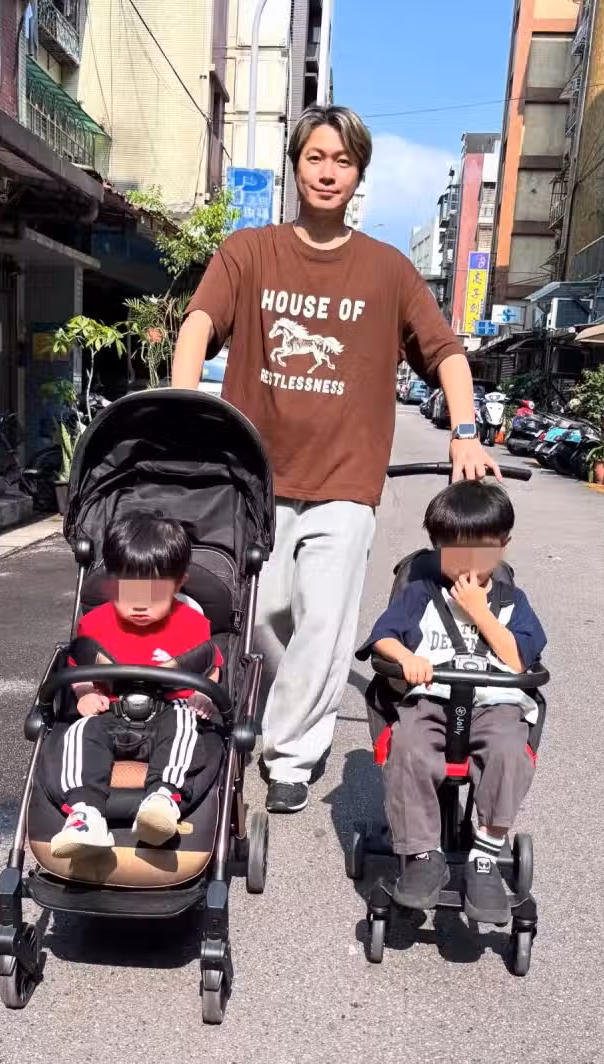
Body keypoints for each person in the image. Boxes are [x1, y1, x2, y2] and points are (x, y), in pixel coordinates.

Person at [171, 103, 500, 815]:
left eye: (342, 161)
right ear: (296, 166)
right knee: (262, 614)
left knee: (322, 621)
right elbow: (198, 323)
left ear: (359, 175)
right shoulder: (249, 252)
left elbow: (446, 352)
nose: (327, 172)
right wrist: (184, 410)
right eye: (315, 157)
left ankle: (291, 754)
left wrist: (466, 429)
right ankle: (276, 707)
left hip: (347, 481)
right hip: (253, 479)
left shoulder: (388, 270)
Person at [356, 480, 546, 925]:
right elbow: (383, 636)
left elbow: (520, 658)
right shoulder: (422, 594)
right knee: (408, 747)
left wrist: (479, 610)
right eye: (454, 552)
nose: (467, 564)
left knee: (507, 750)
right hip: (433, 702)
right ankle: (423, 853)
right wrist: (406, 657)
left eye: (480, 552)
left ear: (502, 547)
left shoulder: (512, 602)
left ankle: (484, 854)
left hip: (495, 705)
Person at [48, 511, 224, 855]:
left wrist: (204, 694)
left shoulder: (193, 624)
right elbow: (78, 665)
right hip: (110, 710)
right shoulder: (95, 624)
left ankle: (162, 800)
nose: (140, 605)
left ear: (178, 584)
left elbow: (211, 665)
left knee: (185, 725)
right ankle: (84, 815)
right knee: (79, 732)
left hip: (169, 710)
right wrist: (86, 692)